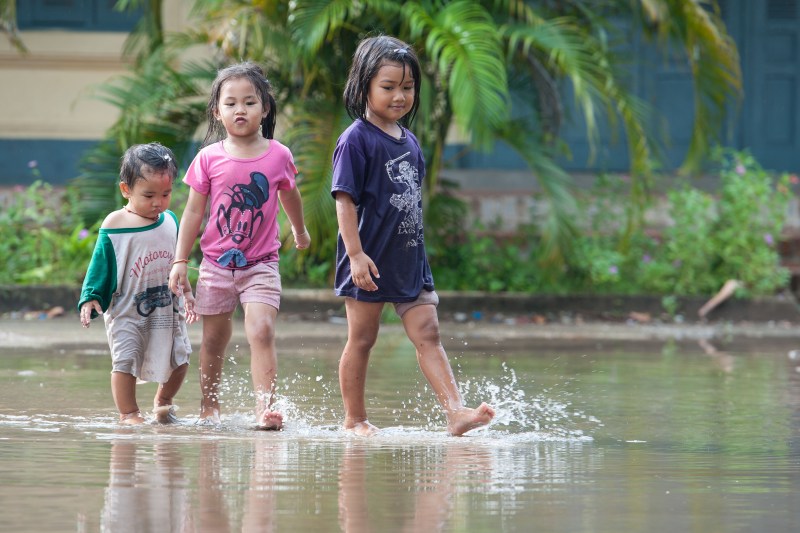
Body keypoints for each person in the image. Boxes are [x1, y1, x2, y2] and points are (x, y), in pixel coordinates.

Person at [331, 35, 495, 436]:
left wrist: (419, 256)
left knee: (429, 334)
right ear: (364, 85)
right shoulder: (356, 140)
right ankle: (355, 419)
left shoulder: (410, 141)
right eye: (388, 87)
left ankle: (455, 412)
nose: (399, 96)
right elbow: (344, 200)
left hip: (408, 261)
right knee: (362, 339)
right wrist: (355, 255)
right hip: (367, 260)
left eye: (407, 87)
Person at [168, 62, 310, 430]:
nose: (240, 110)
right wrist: (180, 260)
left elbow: (290, 197)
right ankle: (209, 405)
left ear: (265, 106)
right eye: (231, 103)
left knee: (261, 330)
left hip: (261, 263)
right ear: (217, 111)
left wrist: (300, 230)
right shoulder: (208, 158)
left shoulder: (279, 155)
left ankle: (265, 409)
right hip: (215, 266)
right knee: (214, 340)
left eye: (249, 102)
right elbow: (193, 211)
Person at [78, 142, 194, 425]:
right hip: (128, 310)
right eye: (149, 195)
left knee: (180, 359)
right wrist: (92, 295)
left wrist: (187, 292)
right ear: (126, 190)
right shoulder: (116, 223)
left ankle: (163, 401)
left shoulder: (170, 221)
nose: (159, 202)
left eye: (166, 194)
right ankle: (129, 412)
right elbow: (101, 263)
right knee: (125, 362)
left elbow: (178, 262)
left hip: (167, 308)